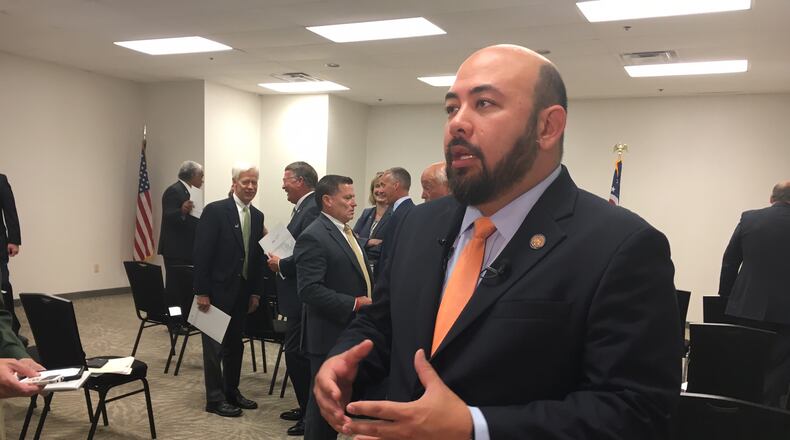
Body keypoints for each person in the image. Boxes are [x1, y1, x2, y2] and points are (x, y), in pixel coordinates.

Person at [313, 44, 681, 440]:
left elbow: (635, 412)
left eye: (484, 104)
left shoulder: (621, 246)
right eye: (451, 108)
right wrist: (344, 359)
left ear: (547, 126)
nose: (458, 123)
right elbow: (382, 321)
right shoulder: (418, 223)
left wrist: (474, 427)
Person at [293, 175, 373, 440]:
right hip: (329, 334)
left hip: (351, 331)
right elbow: (309, 290)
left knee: (339, 405)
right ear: (327, 200)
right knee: (323, 412)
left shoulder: (346, 232)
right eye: (347, 198)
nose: (354, 203)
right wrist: (354, 303)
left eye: (353, 197)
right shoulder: (314, 236)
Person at [193, 163, 265, 417]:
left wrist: (255, 292)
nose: (250, 186)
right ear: (234, 184)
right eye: (246, 182)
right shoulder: (215, 211)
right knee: (214, 349)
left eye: (254, 182)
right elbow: (201, 253)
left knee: (235, 346)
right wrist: (201, 291)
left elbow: (256, 259)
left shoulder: (258, 216)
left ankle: (231, 391)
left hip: (242, 293)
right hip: (214, 293)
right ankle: (214, 399)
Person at [718, 180, 790, 406]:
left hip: (746, 308)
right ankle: (768, 417)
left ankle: (738, 413)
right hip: (786, 316)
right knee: (776, 374)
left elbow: (730, 261)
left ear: (771, 199)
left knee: (744, 364)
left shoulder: (749, 218)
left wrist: (726, 299)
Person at [266, 161, 321, 436]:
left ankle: (311, 415)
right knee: (295, 354)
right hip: (295, 295)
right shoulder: (302, 207)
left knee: (297, 355)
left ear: (300, 181)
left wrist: (281, 264)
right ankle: (305, 407)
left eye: (286, 179)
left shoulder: (311, 209)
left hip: (302, 297)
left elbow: (305, 253)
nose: (283, 185)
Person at [158, 161, 203, 267]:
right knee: (176, 278)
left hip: (188, 250)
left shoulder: (191, 192)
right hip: (176, 251)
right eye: (201, 176)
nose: (202, 180)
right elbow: (168, 216)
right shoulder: (174, 190)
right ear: (192, 175)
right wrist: (181, 211)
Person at [374, 167, 415, 282]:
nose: (381, 190)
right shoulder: (399, 211)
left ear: (396, 185)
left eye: (383, 185)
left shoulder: (405, 214)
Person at [352, 172, 389, 274]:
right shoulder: (366, 213)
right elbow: (352, 240)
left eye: (384, 186)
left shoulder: (396, 214)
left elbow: (387, 247)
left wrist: (362, 245)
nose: (380, 190)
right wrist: (369, 242)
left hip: (383, 271)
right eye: (377, 186)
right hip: (362, 269)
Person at [0, 174, 21, 335]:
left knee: (3, 284)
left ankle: (12, 328)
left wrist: (13, 240)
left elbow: (10, 210)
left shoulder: (0, 180)